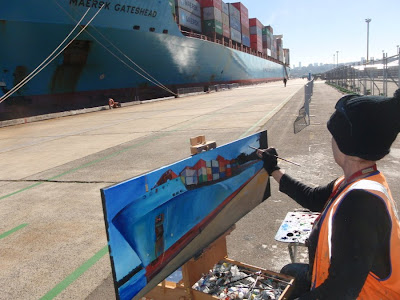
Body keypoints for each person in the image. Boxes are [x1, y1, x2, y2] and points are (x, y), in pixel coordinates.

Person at [259, 90, 400, 299]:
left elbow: (339, 293)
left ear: (346, 145)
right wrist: (274, 170)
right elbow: (314, 198)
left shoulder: (360, 203)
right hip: (341, 282)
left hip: (364, 295)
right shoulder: (360, 181)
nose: (331, 141)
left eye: (334, 136)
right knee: (289, 272)